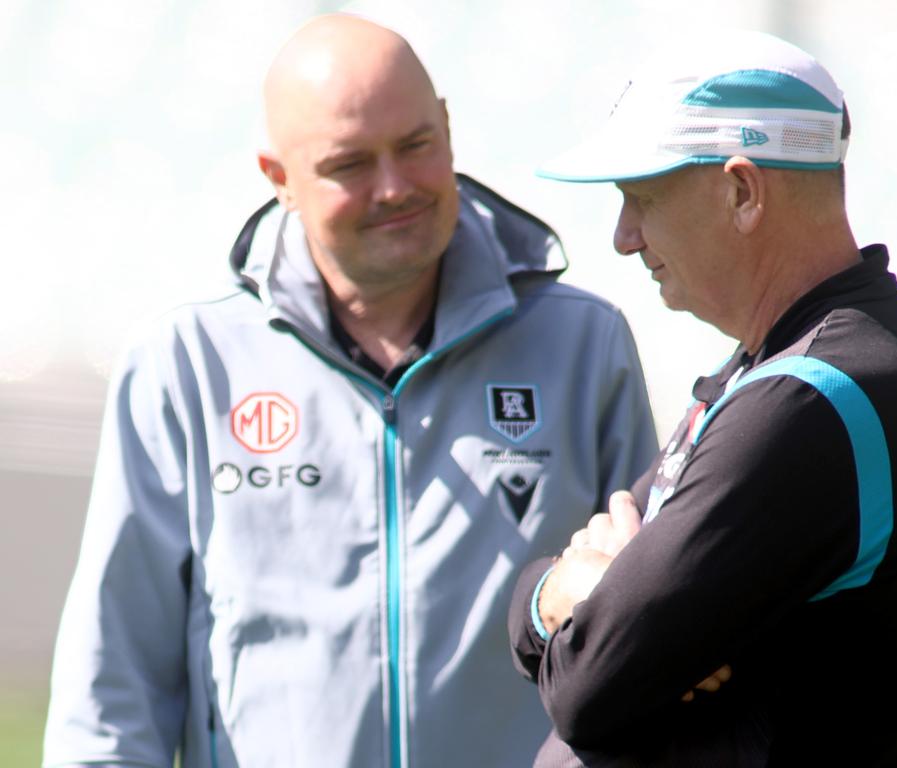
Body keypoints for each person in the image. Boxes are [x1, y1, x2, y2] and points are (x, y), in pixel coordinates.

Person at [43, 14, 657, 768]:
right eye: (349, 164)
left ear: (450, 130)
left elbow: (645, 639)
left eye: (415, 145)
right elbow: (110, 700)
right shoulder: (185, 365)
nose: (394, 187)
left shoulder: (584, 346)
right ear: (279, 179)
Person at [509, 30, 897, 766]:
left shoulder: (813, 399)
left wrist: (591, 615)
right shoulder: (789, 368)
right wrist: (560, 597)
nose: (623, 237)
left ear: (741, 191)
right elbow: (558, 616)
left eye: (642, 197)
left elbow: (583, 686)